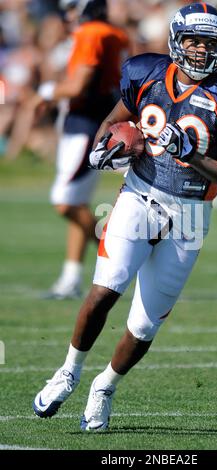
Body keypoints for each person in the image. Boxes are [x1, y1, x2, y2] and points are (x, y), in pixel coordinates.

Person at [33, 2, 217, 430]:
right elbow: (114, 120)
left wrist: (190, 154)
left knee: (144, 324)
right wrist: (105, 147)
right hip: (139, 195)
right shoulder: (146, 73)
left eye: (209, 42)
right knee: (108, 286)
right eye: (193, 41)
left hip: (193, 213)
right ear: (177, 40)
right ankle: (68, 371)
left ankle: (104, 385)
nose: (200, 50)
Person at [32, 0, 129, 299]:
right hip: (90, 121)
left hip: (87, 124)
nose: (67, 16)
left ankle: (122, 249)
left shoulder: (91, 32)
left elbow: (78, 86)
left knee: (64, 201)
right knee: (78, 201)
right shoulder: (113, 33)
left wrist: (46, 92)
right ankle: (71, 278)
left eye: (71, 9)